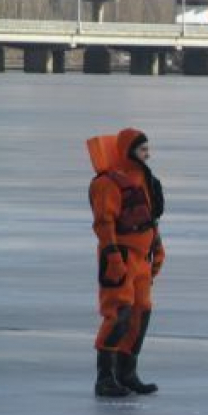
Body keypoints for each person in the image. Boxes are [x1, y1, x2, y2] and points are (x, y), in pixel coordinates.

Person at [88, 128, 165, 397]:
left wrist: (158, 248)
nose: (148, 154)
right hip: (119, 257)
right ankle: (105, 377)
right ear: (129, 150)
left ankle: (127, 373)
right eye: (143, 149)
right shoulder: (106, 183)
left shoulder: (144, 179)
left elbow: (150, 218)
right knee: (118, 314)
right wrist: (111, 256)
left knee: (140, 314)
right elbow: (104, 222)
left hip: (142, 259)